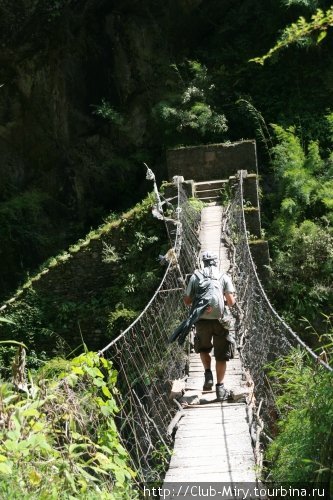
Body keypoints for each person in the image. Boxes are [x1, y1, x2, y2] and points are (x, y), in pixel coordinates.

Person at [184, 251, 236, 401]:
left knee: (204, 348)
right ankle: (220, 389)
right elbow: (231, 302)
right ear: (216, 262)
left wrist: (198, 301)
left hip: (201, 320)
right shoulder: (223, 276)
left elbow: (187, 301)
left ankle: (208, 375)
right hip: (221, 321)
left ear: (203, 263)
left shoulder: (195, 277)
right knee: (221, 354)